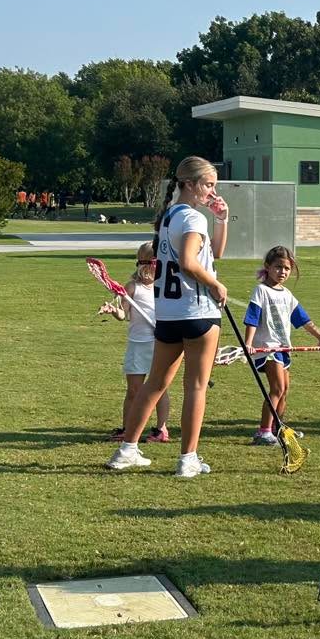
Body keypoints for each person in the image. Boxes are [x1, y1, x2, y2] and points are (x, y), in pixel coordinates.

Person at [107, 156, 228, 477]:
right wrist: (215, 283)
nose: (213, 192)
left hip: (169, 315)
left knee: (155, 384)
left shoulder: (169, 217)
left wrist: (222, 220)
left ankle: (127, 450)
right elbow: (190, 262)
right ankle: (188, 458)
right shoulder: (192, 219)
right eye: (208, 184)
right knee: (196, 387)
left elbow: (213, 254)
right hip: (198, 312)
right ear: (189, 184)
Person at [241, 245, 320, 445]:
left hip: (283, 348)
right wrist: (248, 344)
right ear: (268, 266)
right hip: (268, 347)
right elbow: (252, 318)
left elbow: (303, 320)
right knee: (277, 388)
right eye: (278, 267)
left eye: (287, 269)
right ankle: (263, 432)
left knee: (285, 390)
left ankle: (278, 427)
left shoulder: (287, 294)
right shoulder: (261, 290)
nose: (282, 272)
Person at [102, 242, 170, 444]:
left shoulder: (165, 285)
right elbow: (124, 314)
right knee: (133, 390)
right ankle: (127, 428)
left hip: (159, 343)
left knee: (160, 389)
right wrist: (113, 310)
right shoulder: (132, 287)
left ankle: (161, 429)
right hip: (137, 344)